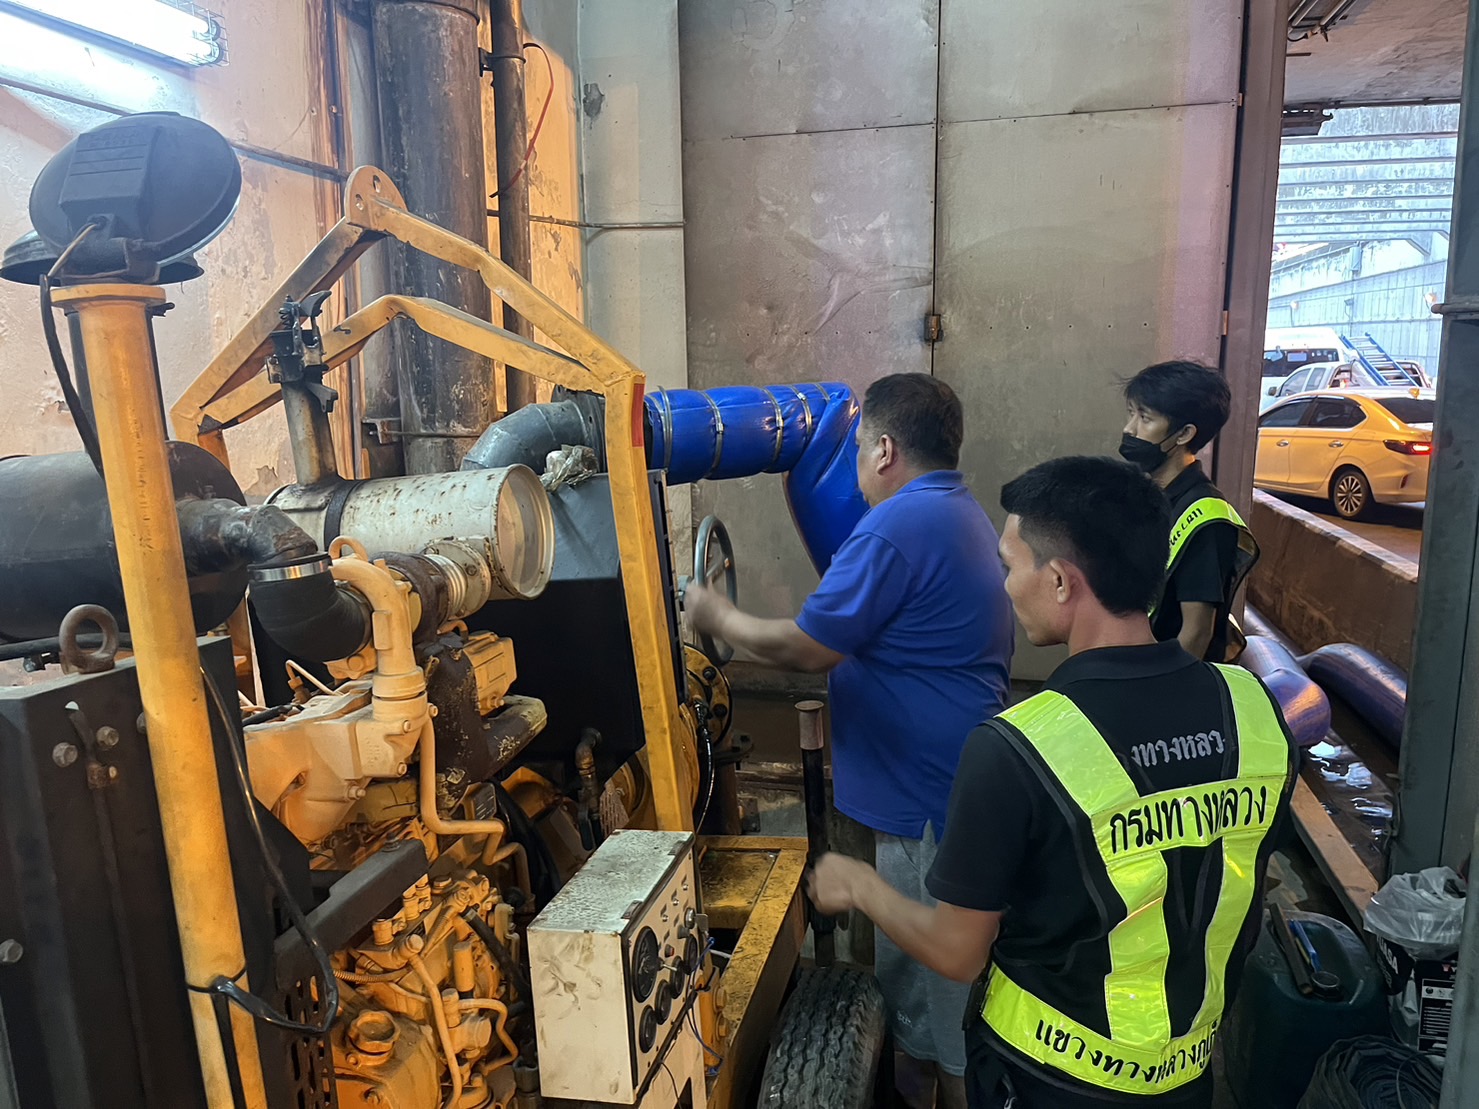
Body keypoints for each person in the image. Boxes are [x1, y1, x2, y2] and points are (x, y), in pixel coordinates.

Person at [807, 456, 1297, 1109]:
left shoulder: (1017, 746)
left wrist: (858, 884)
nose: (1005, 586)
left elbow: (957, 952)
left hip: (1045, 1079)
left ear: (1061, 581)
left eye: (1011, 566)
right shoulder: (1255, 711)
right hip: (1186, 1077)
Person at [685, 372, 1014, 1108]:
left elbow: (808, 647)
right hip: (945, 783)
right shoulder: (956, 511)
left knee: (946, 1007)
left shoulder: (897, 525)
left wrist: (715, 613)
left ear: (885, 450)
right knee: (926, 1006)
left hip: (926, 802)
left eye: (859, 450)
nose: (857, 469)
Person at [1119, 360, 1259, 661]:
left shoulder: (1205, 519)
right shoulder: (1150, 496)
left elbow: (1196, 632)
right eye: (1131, 414)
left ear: (1183, 434)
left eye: (1145, 418)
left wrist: (1162, 686)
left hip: (1163, 676)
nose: (1129, 429)